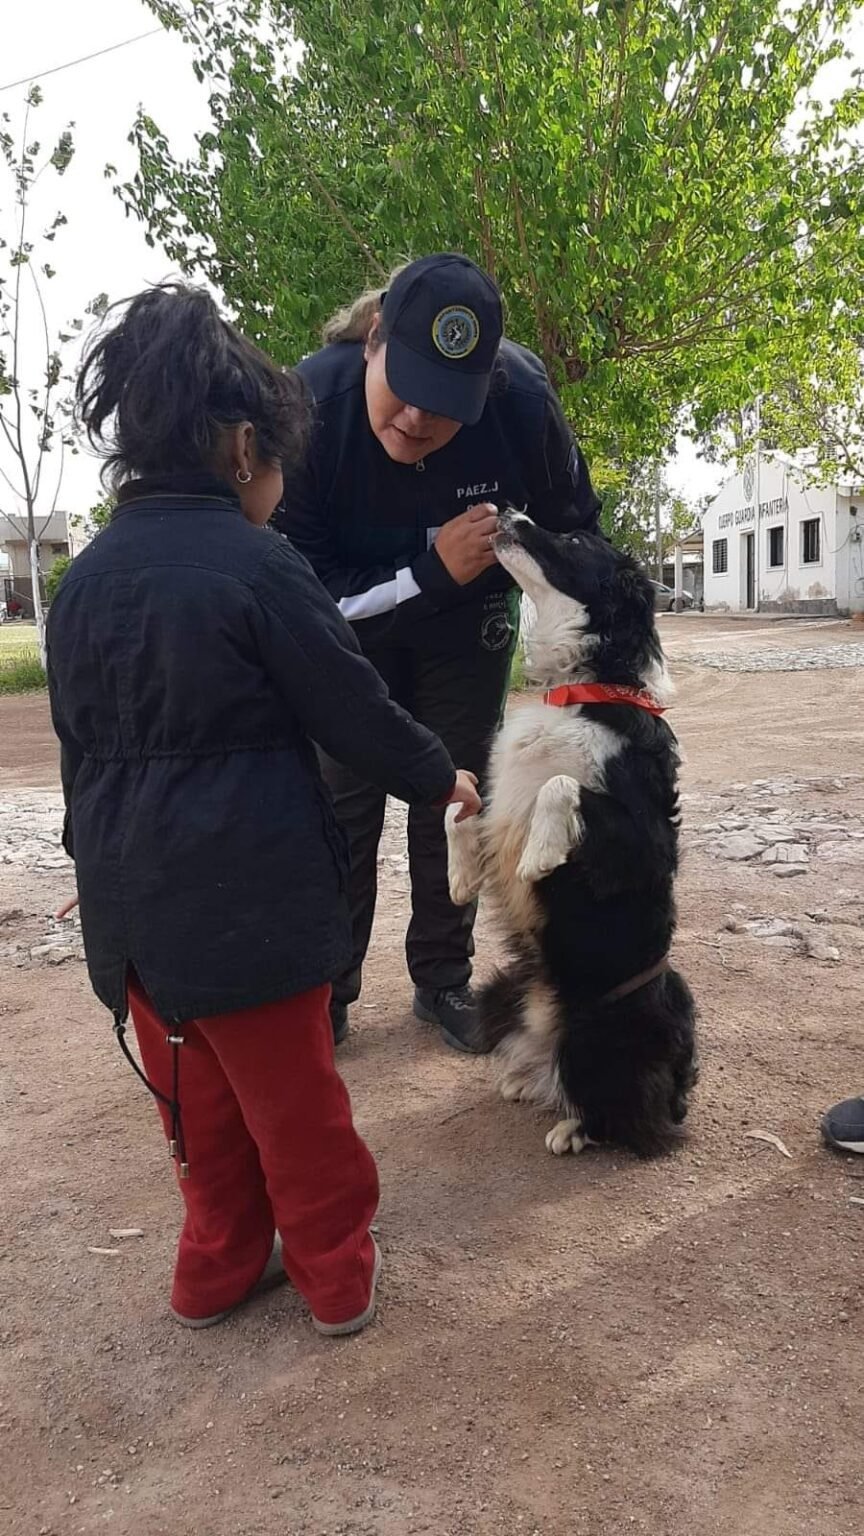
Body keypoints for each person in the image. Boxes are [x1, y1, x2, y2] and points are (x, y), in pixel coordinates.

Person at [47, 284, 481, 1336]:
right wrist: (441, 777)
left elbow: (77, 753)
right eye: (278, 463)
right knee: (298, 1114)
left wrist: (94, 873)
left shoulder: (83, 583)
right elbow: (351, 705)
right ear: (245, 449)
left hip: (136, 923)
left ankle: (215, 1269)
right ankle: (336, 1275)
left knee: (198, 1110)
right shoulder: (260, 565)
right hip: (253, 911)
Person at [275, 253, 602, 1053]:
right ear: (374, 340)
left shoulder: (523, 401)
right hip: (348, 634)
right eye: (406, 386)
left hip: (467, 625)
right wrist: (427, 573)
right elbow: (304, 602)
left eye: (448, 404)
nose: (419, 418)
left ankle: (443, 978)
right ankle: (329, 989)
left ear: (487, 387)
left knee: (454, 792)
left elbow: (577, 533)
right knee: (344, 802)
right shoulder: (309, 409)